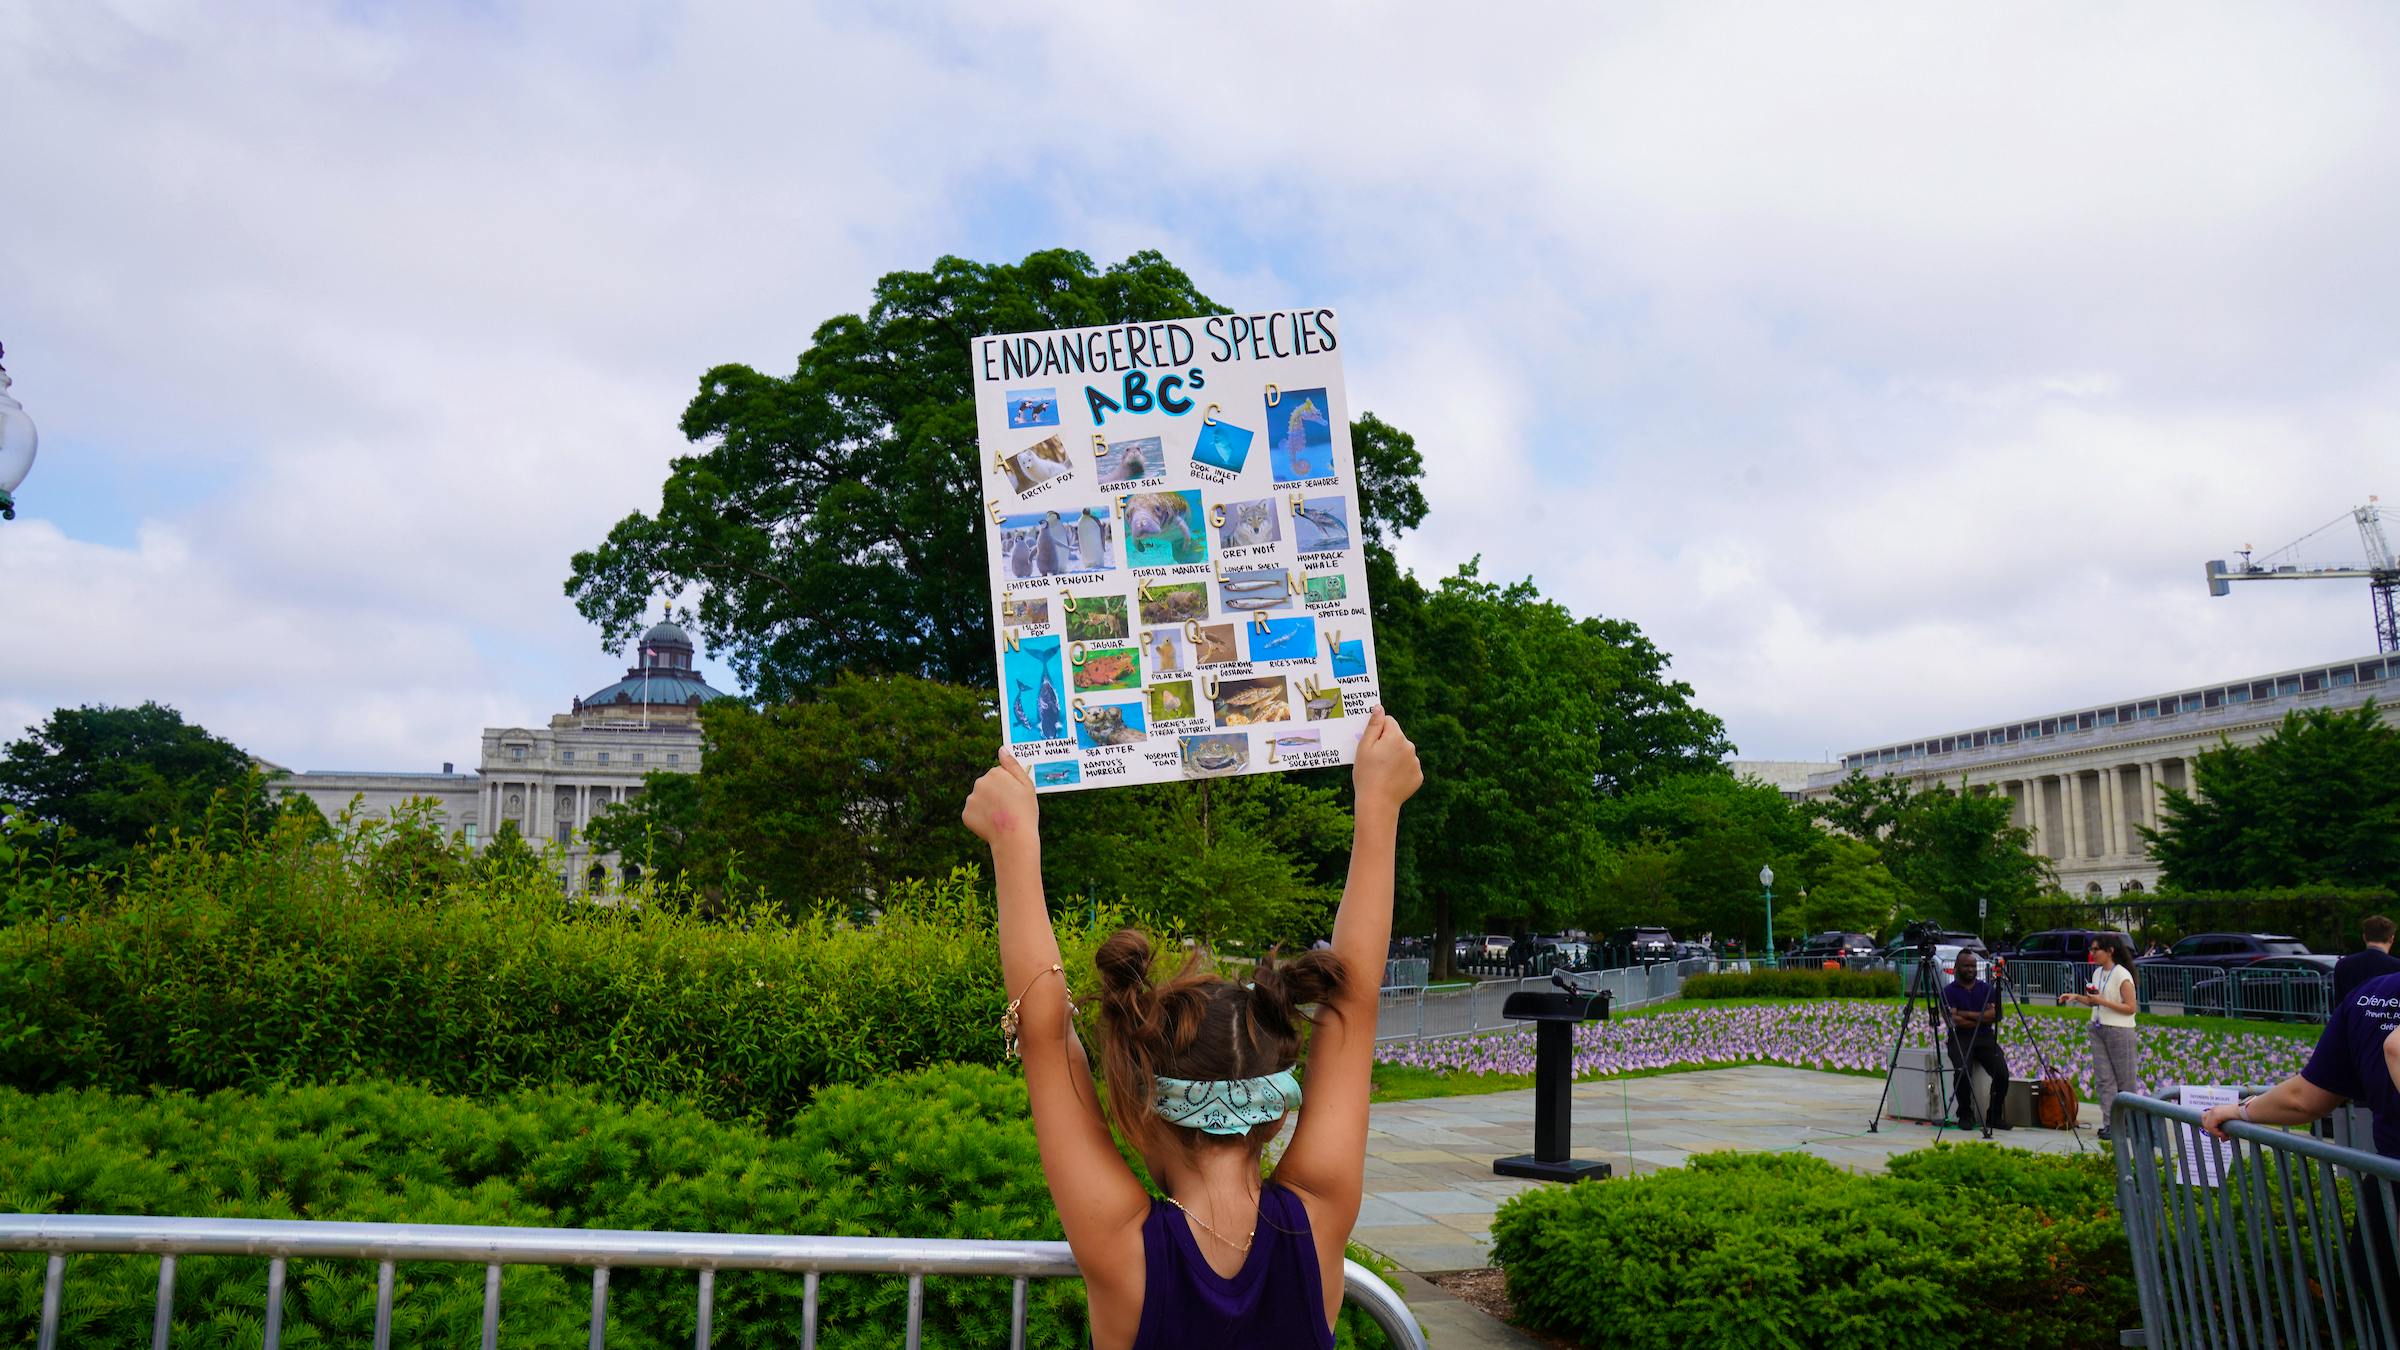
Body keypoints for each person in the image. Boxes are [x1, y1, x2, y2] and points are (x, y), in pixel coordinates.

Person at [962, 708, 1422, 1349]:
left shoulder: (1125, 1248)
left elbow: (1042, 1036)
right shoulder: (1316, 1217)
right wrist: (1381, 806)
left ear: (1144, 1108)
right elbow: (1357, 1003)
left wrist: (1013, 840)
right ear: (1272, 1114)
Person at [2200, 969, 2400, 1307]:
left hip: (2384, 1196)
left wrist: (2242, 1111)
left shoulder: (2374, 993)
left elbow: (2306, 1098)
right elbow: (2395, 1047)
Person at [2059, 933, 2139, 1140]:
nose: (2092, 953)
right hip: (2098, 1027)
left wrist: (2102, 1001)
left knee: (2125, 1080)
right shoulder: (2097, 973)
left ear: (2110, 951)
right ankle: (2110, 1123)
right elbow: (2095, 1001)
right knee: (2105, 1080)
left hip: (2119, 1030)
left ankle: (2128, 1123)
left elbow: (2130, 1007)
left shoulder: (2122, 975)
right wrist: (2077, 997)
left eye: (2096, 950)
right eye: (2091, 950)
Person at [1941, 951, 2012, 1131]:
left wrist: (1966, 1014)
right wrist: (1982, 1016)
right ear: (1956, 968)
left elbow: (1996, 1015)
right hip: (1960, 1037)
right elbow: (1952, 1019)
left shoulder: (1986, 988)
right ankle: (1965, 1113)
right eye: (1966, 966)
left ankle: (1994, 1115)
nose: (1971, 969)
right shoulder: (1948, 991)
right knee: (1962, 1070)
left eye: (1973, 966)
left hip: (1985, 1037)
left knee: (2002, 1073)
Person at [2334, 915, 2400, 1007]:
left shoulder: (2344, 964)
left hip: (2352, 1019)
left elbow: (2339, 1003)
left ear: (2364, 937)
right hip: (2386, 1019)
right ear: (2391, 939)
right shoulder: (2397, 966)